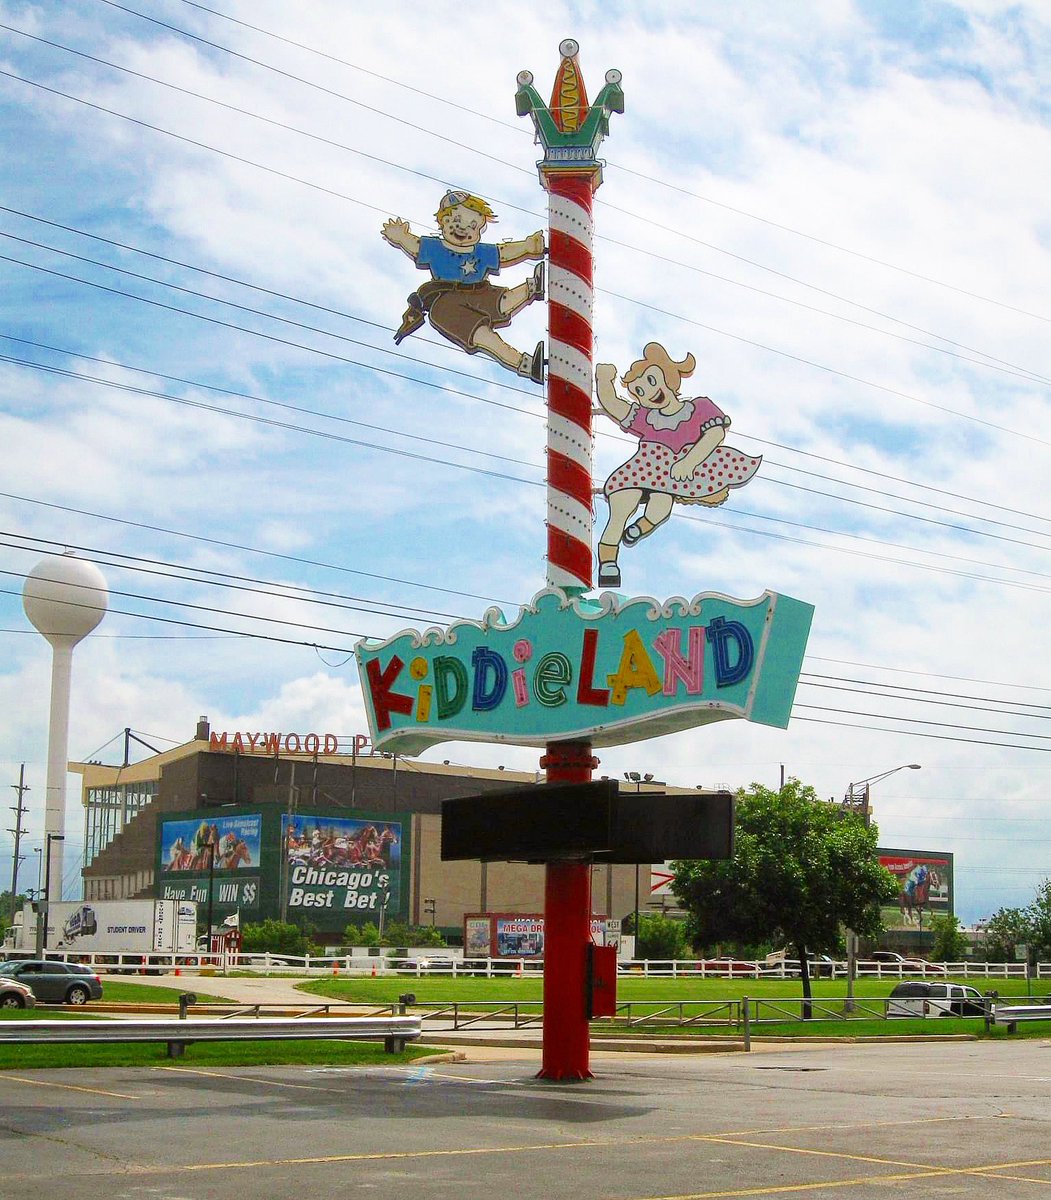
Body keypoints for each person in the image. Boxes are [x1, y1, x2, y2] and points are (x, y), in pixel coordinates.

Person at [594, 342, 761, 587]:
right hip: (642, 469)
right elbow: (613, 404)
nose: (648, 392)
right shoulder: (645, 418)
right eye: (639, 390)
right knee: (621, 506)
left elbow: (714, 435)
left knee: (661, 505)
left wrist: (689, 462)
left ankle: (641, 527)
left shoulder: (699, 408)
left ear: (669, 376)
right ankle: (608, 562)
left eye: (652, 381)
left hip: (673, 474)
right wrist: (604, 380)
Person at [382, 189, 546, 382]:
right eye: (456, 221)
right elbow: (416, 246)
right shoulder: (435, 248)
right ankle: (526, 364)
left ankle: (531, 288)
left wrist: (527, 246)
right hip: (447, 306)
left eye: (473, 225)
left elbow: (503, 252)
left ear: (480, 227)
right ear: (443, 222)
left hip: (480, 292)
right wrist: (401, 237)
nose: (463, 228)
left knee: (502, 302)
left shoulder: (481, 251)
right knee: (486, 338)